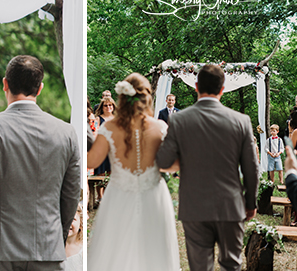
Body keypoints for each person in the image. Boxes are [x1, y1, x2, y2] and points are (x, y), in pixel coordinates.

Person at [0, 55, 81, 271]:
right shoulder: (66, 133)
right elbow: (71, 195)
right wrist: (57, 238)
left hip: (0, 248)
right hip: (48, 246)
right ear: (40, 88)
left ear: (5, 84)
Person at [156, 64, 259, 271]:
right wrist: (250, 203)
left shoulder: (179, 120)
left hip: (194, 206)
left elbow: (164, 162)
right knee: (231, 265)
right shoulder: (241, 121)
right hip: (231, 205)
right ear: (222, 89)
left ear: (196, 86)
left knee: (200, 267)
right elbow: (252, 168)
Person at [87, 73, 180, 271]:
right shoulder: (160, 127)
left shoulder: (110, 128)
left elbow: (92, 160)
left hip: (119, 195)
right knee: (155, 253)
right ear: (147, 98)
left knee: (116, 253)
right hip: (154, 195)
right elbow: (172, 166)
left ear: (122, 98)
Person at [64, 204, 83, 271]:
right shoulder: (55, 247)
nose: (67, 223)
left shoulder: (82, 251)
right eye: (64, 219)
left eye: (73, 219)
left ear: (80, 224)